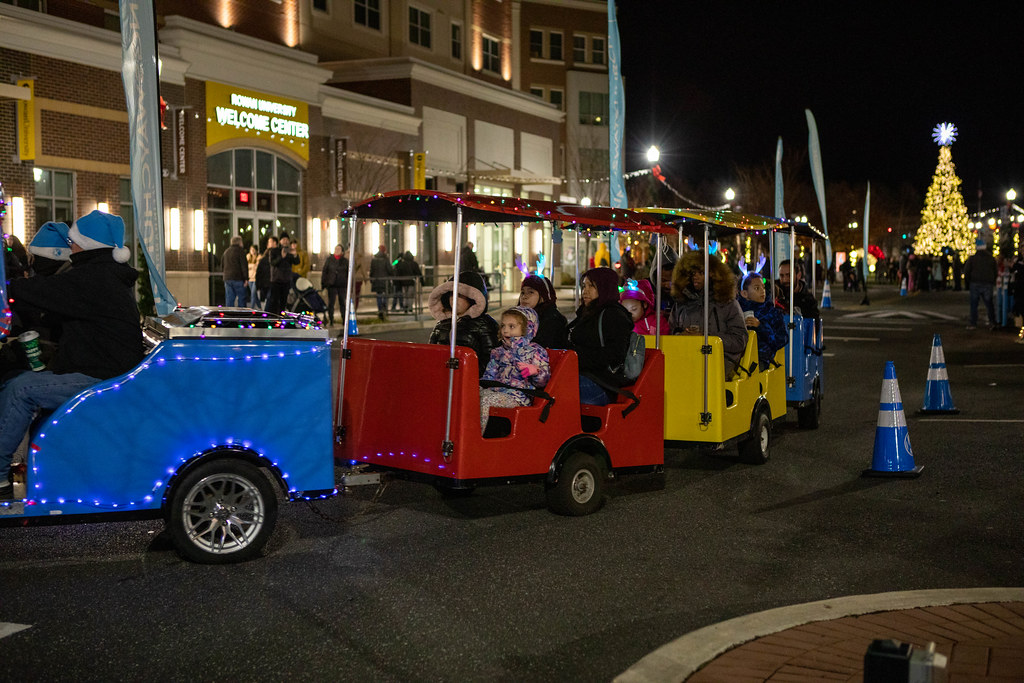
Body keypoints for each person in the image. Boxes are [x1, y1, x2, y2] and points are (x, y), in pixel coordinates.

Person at [0, 210, 143, 500]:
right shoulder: (102, 274)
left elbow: (39, 291)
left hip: (104, 378)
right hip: (103, 369)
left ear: (87, 244)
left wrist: (8, 288)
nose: (71, 247)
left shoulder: (94, 278)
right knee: (17, 382)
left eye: (74, 241)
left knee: (20, 390)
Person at [669, 250, 748, 379]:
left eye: (701, 273)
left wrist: (706, 338)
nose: (695, 277)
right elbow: (670, 331)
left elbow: (739, 340)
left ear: (713, 275)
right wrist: (681, 335)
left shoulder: (727, 303)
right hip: (686, 359)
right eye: (692, 273)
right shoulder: (681, 304)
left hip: (720, 361)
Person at [567, 267, 633, 405]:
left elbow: (614, 354)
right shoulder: (585, 313)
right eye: (584, 286)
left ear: (605, 287)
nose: (585, 291)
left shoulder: (613, 315)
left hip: (603, 383)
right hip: (580, 374)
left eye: (591, 286)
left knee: (559, 388)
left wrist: (576, 357)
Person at [479, 306, 551, 431]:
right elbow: (489, 376)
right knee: (469, 395)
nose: (505, 330)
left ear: (527, 328)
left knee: (486, 400)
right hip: (496, 390)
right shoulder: (498, 352)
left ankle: (475, 436)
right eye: (503, 326)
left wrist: (536, 371)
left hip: (518, 396)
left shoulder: (535, 351)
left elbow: (543, 380)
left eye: (511, 326)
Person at [427, 271, 500, 376]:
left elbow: (491, 359)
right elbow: (430, 353)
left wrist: (469, 373)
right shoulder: (441, 324)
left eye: (459, 295)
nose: (454, 299)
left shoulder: (485, 324)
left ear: (472, 298)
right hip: (442, 377)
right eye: (451, 294)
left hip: (470, 379)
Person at [737, 272, 787, 371]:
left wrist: (761, 326)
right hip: (739, 358)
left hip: (762, 359)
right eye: (757, 288)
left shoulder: (772, 312)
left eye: (763, 287)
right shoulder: (736, 311)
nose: (762, 291)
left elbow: (782, 339)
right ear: (744, 293)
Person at [518, 274, 568, 349]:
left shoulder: (552, 320)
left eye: (531, 292)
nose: (524, 296)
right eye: (522, 292)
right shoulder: (517, 316)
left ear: (543, 296)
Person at [964, 239, 997, 330]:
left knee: (974, 304)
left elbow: (967, 270)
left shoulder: (972, 258)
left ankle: (973, 323)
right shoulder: (991, 258)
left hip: (975, 282)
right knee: (989, 303)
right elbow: (995, 270)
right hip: (987, 283)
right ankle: (992, 322)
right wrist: (992, 280)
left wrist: (969, 280)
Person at [268, 233, 298, 314]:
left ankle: (281, 316)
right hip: (276, 280)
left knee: (283, 301)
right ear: (280, 241)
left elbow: (296, 262)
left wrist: (295, 255)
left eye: (287, 239)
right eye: (283, 239)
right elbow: (272, 263)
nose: (285, 241)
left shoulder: (289, 251)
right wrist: (281, 257)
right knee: (274, 301)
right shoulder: (274, 251)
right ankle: (274, 316)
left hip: (286, 280)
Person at [321, 244, 348, 326]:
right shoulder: (329, 260)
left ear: (342, 251)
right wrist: (324, 283)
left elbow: (348, 273)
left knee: (342, 302)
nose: (337, 250)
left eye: (339, 249)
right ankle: (331, 319)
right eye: (336, 249)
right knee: (331, 303)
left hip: (342, 284)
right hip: (331, 284)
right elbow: (325, 271)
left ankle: (344, 319)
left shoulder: (345, 261)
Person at [222, 235, 249, 307]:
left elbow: (222, 265)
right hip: (238, 278)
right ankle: (241, 313)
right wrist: (246, 278)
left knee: (229, 299)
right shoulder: (241, 251)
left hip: (227, 278)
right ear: (239, 242)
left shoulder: (226, 252)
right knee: (241, 298)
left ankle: (229, 312)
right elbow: (244, 266)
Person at [369, 245, 393, 320]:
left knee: (379, 295)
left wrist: (371, 279)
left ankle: (380, 310)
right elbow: (389, 270)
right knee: (385, 294)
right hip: (385, 280)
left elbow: (372, 270)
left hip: (376, 280)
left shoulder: (374, 259)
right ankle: (384, 308)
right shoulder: (386, 259)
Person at [254, 236, 276, 311]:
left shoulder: (263, 260)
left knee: (267, 303)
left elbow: (258, 274)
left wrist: (258, 286)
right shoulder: (264, 260)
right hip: (267, 284)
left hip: (267, 284)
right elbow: (259, 273)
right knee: (268, 303)